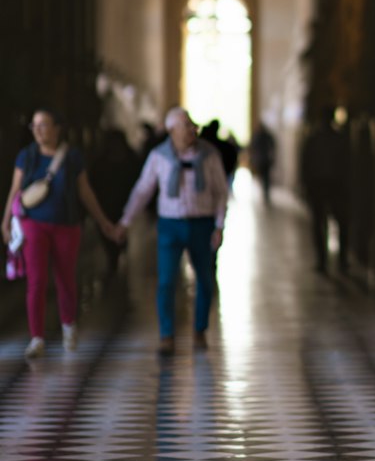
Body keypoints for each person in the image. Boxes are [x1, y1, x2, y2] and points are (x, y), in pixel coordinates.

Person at [1, 108, 119, 360]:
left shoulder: (72, 157)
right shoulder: (27, 156)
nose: (38, 130)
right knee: (36, 280)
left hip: (66, 224)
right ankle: (37, 338)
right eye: (34, 126)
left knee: (65, 277)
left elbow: (85, 192)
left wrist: (103, 221)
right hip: (34, 224)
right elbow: (15, 190)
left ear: (57, 128)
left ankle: (68, 326)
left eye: (43, 125)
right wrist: (6, 221)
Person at [117, 106, 228, 356]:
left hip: (202, 223)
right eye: (186, 126)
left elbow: (221, 192)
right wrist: (126, 221)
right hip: (170, 224)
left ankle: (200, 329)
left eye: (192, 125)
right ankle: (166, 335)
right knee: (166, 281)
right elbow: (143, 190)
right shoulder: (159, 156)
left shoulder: (209, 155)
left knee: (205, 279)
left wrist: (219, 225)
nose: (192, 130)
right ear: (171, 131)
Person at [299, 108, 350, 275]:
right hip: (331, 186)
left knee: (322, 223)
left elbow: (305, 164)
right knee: (336, 222)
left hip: (325, 186)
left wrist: (306, 185)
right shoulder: (338, 139)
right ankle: (339, 260)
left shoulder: (315, 139)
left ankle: (326, 260)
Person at [87, 127, 141, 278]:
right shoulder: (100, 162)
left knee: (120, 228)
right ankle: (113, 258)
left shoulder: (130, 159)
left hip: (123, 204)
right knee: (106, 231)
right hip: (105, 204)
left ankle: (118, 251)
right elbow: (92, 182)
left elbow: (138, 182)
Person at [249, 121, 276, 204]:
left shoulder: (260, 136)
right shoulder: (264, 136)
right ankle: (265, 191)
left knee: (265, 177)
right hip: (264, 159)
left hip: (263, 159)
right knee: (265, 177)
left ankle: (265, 191)